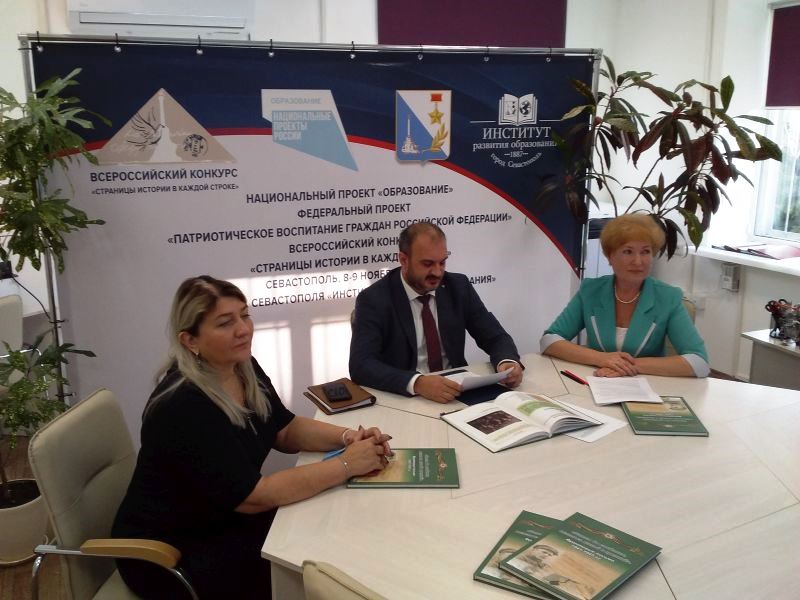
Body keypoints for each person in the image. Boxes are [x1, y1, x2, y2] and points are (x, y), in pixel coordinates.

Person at [112, 276, 392, 599]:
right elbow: (252, 497)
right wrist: (346, 465)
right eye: (225, 323)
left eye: (244, 315)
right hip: (174, 551)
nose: (243, 329)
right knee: (311, 564)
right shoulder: (183, 405)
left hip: (223, 520)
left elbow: (285, 429)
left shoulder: (242, 367)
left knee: (326, 530)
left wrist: (349, 438)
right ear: (190, 340)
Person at [349, 222, 523, 403]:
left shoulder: (458, 287)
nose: (438, 272)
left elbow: (495, 337)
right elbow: (361, 365)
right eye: (427, 264)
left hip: (457, 393)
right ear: (403, 260)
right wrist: (417, 383)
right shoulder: (374, 299)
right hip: (405, 399)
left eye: (442, 262)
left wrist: (507, 362)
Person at [540, 214, 709, 378]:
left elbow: (699, 362)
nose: (638, 261)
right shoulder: (591, 291)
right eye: (628, 251)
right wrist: (602, 359)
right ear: (610, 256)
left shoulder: (668, 297)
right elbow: (549, 341)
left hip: (647, 386)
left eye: (645, 252)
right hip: (597, 381)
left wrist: (629, 366)